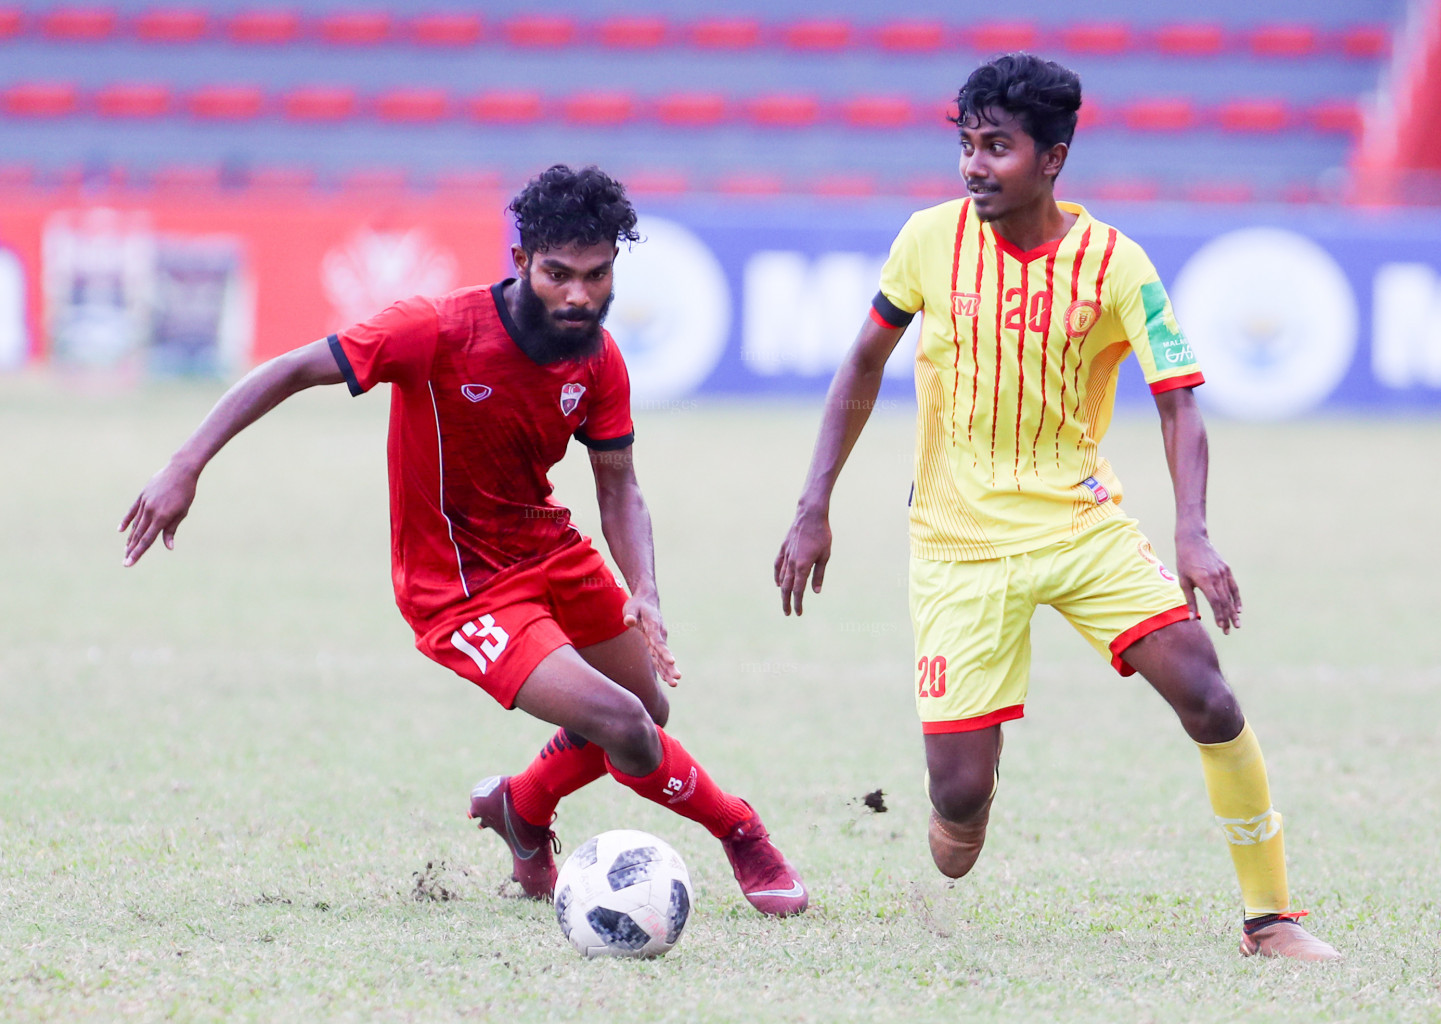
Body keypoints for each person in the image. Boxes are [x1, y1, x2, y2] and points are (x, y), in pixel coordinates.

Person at [120, 164, 808, 917]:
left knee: (648, 711)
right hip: (460, 586)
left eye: (596, 274)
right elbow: (292, 369)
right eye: (557, 274)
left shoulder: (599, 359)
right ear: (520, 262)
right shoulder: (435, 329)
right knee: (622, 726)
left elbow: (619, 484)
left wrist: (643, 589)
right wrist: (185, 466)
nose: (578, 294)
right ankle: (742, 832)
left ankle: (522, 804)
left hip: (549, 549)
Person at [773, 55, 1337, 958]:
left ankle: (1268, 919)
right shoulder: (926, 239)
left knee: (1208, 697)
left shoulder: (1118, 264)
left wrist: (1192, 534)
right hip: (955, 544)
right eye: (965, 145)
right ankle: (970, 784)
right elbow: (863, 363)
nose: (973, 165)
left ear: (1052, 158)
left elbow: (1177, 400)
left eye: (996, 147)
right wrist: (813, 505)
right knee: (955, 821)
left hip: (1081, 526)